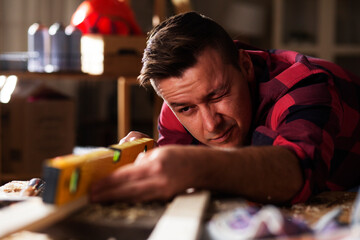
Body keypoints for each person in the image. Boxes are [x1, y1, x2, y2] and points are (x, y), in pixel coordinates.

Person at [90, 12, 360, 205]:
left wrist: (195, 166)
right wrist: (147, 161)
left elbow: (299, 172)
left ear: (244, 66)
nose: (211, 124)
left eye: (218, 95)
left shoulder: (305, 84)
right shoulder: (179, 102)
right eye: (186, 109)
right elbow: (175, 172)